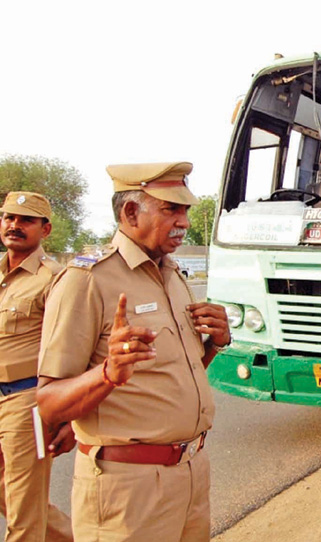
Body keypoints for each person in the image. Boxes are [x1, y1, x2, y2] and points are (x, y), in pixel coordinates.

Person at [35, 162, 231, 542]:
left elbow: (179, 372)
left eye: (186, 210)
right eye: (170, 209)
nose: (185, 222)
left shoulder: (173, 276)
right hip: (129, 487)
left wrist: (216, 345)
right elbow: (49, 403)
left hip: (190, 474)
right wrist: (107, 373)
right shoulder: (86, 281)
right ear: (129, 213)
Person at [0, 192, 73, 542]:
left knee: (23, 509)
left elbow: (74, 348)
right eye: (9, 217)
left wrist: (69, 416)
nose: (14, 225)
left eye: (25, 220)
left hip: (27, 402)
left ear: (45, 230)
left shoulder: (55, 278)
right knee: (15, 498)